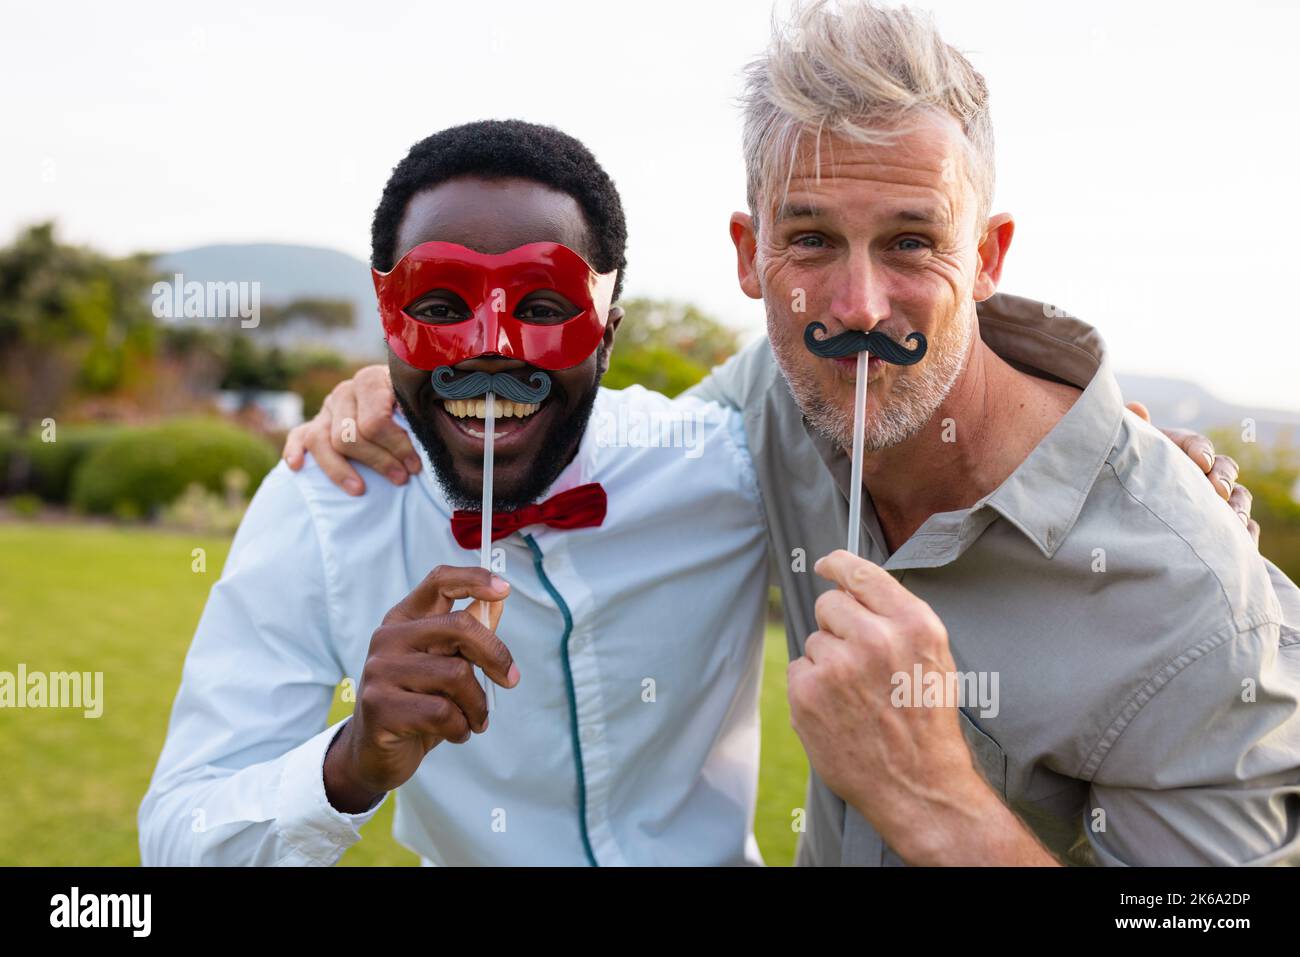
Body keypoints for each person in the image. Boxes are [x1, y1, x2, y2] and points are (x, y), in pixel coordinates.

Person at [285, 1, 1299, 865]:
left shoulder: (1194, 604)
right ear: (749, 252)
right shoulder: (775, 397)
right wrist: (429, 376)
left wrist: (933, 801)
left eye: (912, 241)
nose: (856, 305)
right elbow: (611, 452)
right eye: (810, 238)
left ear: (987, 256)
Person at [139, 120, 772, 866]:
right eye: (439, 307)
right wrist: (348, 763)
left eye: (542, 307)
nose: (490, 346)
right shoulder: (325, 503)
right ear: (387, 325)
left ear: (607, 334)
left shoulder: (722, 465)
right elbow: (181, 835)